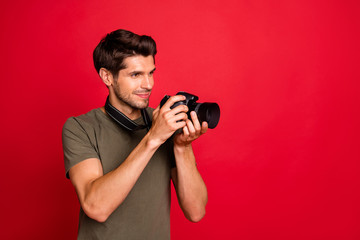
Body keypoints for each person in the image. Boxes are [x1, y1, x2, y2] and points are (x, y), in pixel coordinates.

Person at [62, 29, 208, 240]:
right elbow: (96, 207)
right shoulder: (80, 127)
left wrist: (181, 146)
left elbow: (196, 211)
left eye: (151, 73)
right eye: (136, 75)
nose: (148, 84)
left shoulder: (163, 122)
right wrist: (152, 139)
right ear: (107, 76)